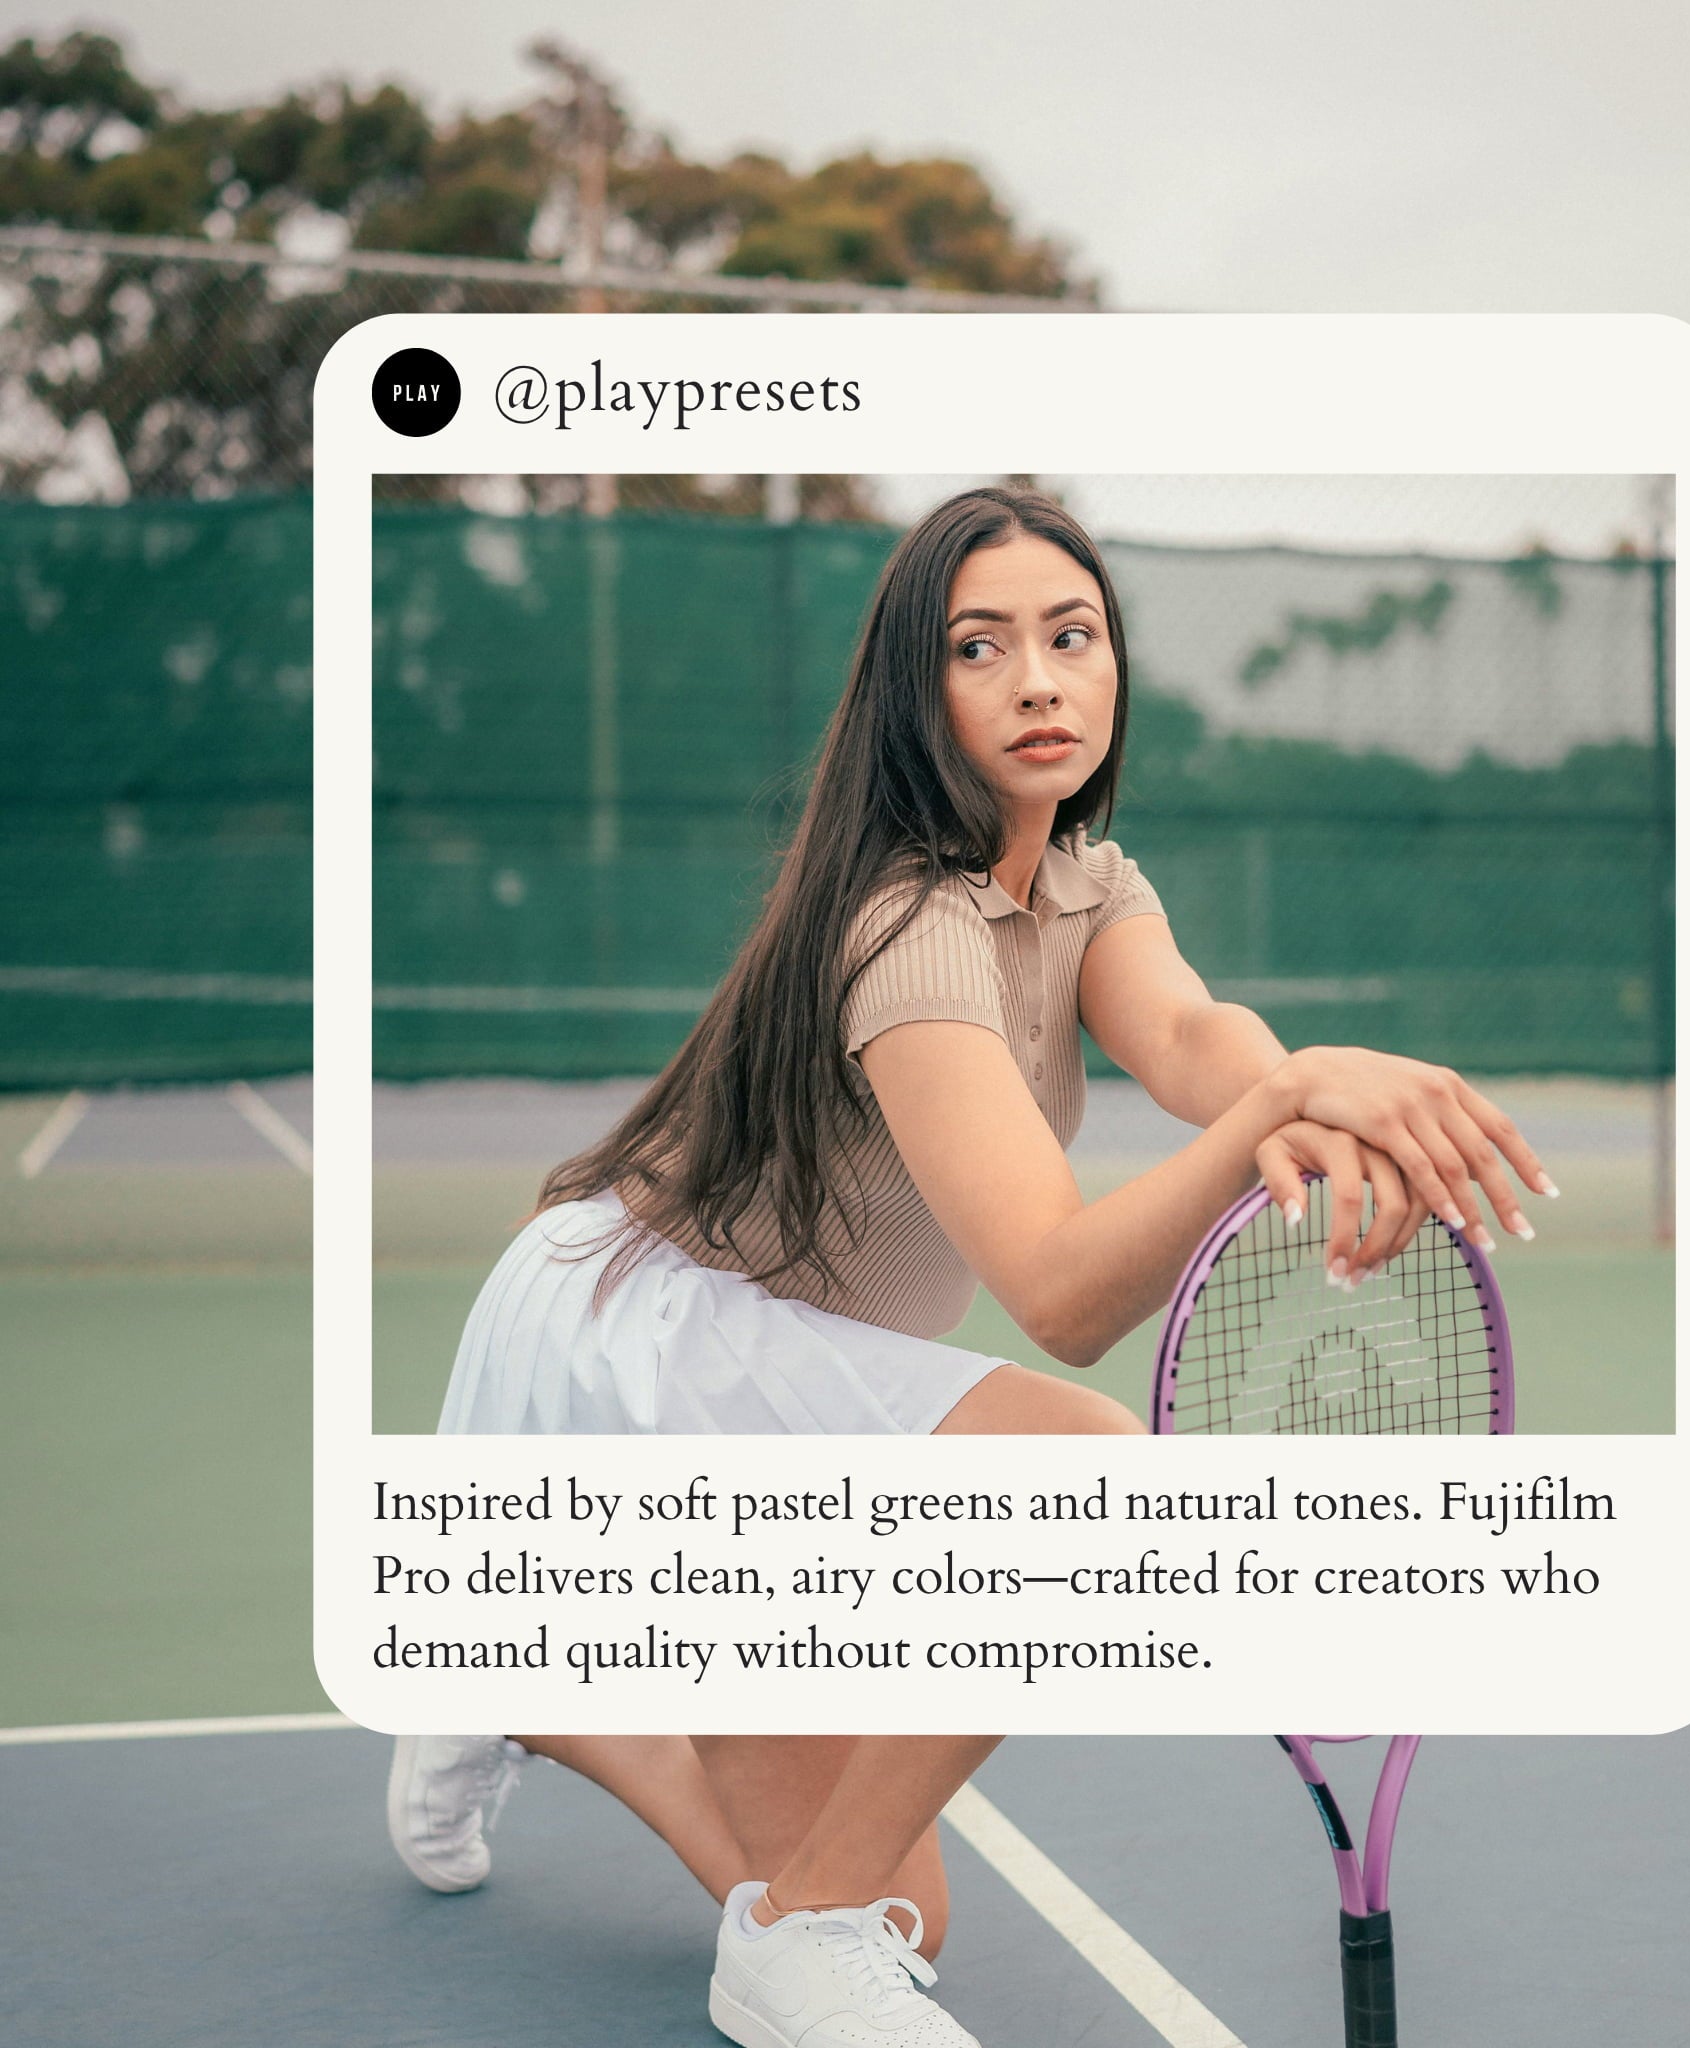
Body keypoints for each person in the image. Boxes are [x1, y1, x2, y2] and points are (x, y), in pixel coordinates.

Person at [388, 485, 1553, 2046]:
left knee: (904, 1909)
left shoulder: (1089, 881)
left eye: (1072, 637)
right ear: (913, 695)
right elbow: (1060, 1296)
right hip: (652, 1342)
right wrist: (1294, 1096)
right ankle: (781, 1929)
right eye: (980, 647)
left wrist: (1304, 1101)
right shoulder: (905, 931)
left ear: (1115, 669)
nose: (1038, 678)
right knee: (1084, 1472)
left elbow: (1199, 1039)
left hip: (796, 1374)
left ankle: (527, 1693)